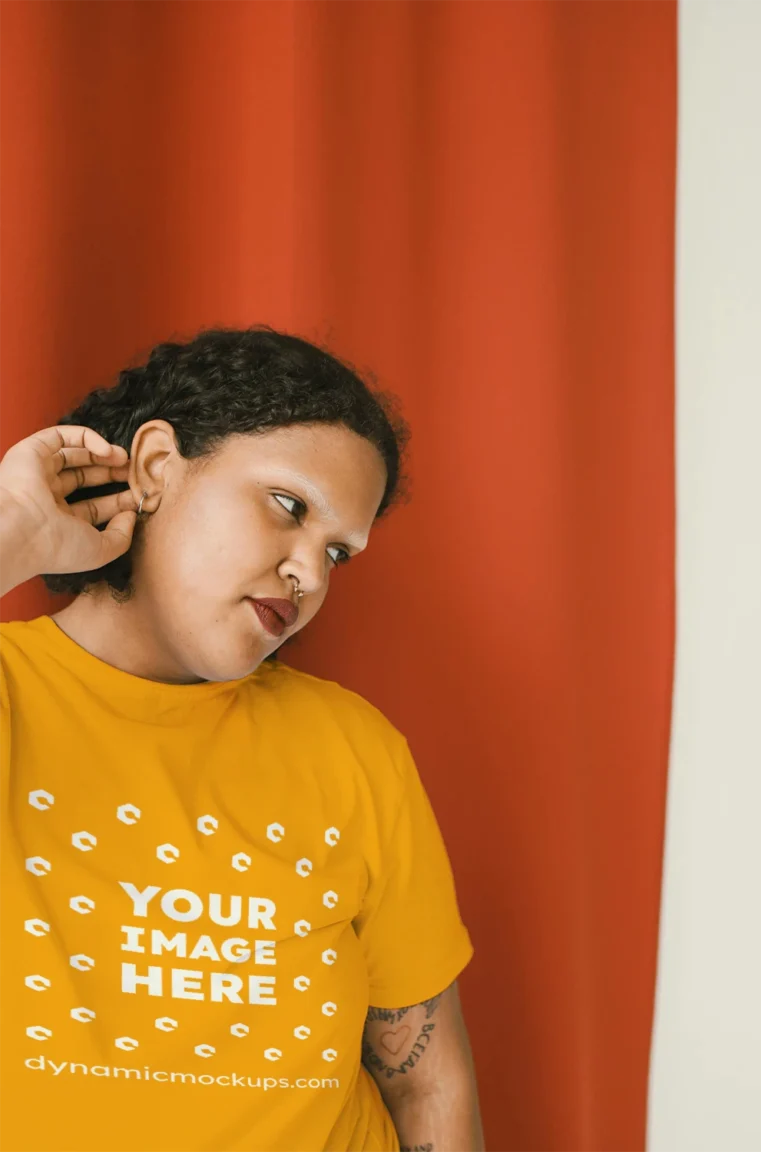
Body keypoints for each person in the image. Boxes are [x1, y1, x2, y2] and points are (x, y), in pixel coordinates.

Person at [0, 328, 483, 1152]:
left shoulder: (353, 748)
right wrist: (13, 526)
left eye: (338, 552)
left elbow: (428, 1079)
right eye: (288, 506)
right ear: (157, 467)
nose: (311, 574)